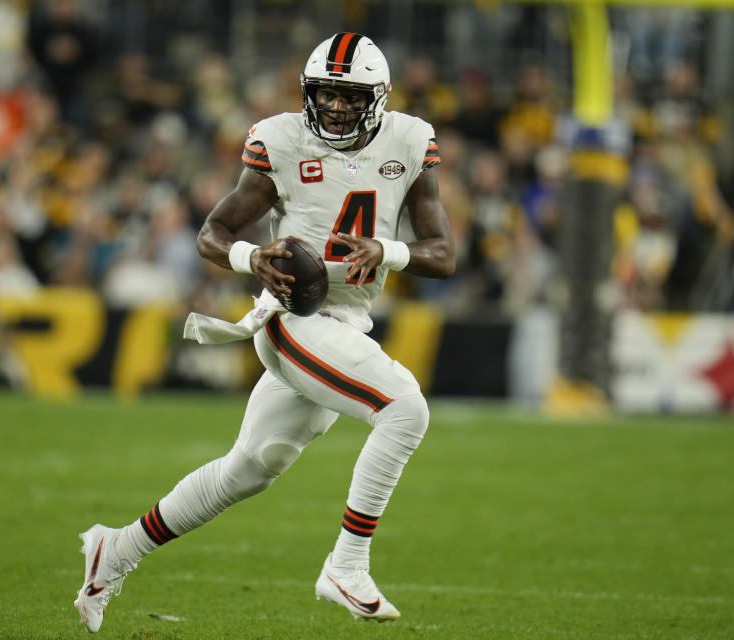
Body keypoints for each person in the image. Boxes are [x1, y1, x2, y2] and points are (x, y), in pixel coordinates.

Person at [74, 33, 455, 632]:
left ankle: (115, 550)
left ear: (377, 98)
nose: (333, 106)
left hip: (347, 319)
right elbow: (212, 231)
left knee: (249, 468)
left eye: (347, 96)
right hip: (294, 319)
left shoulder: (409, 140)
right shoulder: (279, 139)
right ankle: (347, 563)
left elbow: (442, 253)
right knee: (405, 409)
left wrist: (388, 249)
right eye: (325, 92)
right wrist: (251, 258)